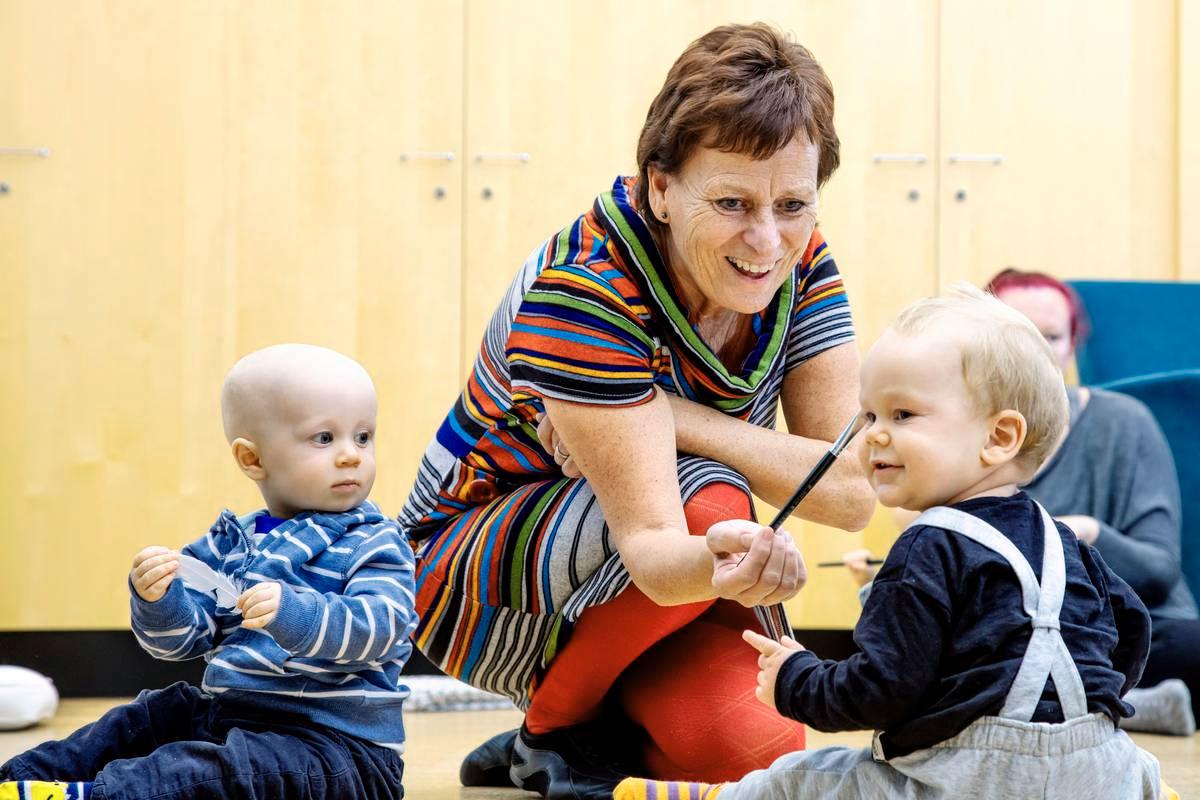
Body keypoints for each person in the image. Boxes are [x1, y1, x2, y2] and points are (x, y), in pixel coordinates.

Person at [398, 22, 874, 800]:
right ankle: (551, 727)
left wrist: (670, 414)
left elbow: (852, 493)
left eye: (793, 202)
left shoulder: (803, 258)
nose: (767, 238)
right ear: (660, 186)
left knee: (753, 754)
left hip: (662, 586)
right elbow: (657, 546)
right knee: (712, 496)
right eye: (731, 201)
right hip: (476, 581)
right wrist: (737, 492)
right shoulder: (585, 289)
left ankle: (593, 717)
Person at [614, 286, 1176, 800]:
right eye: (869, 414)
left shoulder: (927, 545)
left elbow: (881, 691)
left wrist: (796, 679)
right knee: (1141, 771)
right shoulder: (1070, 547)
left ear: (998, 437)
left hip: (968, 780)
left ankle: (717, 798)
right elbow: (1130, 633)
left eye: (903, 414)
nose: (874, 434)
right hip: (1101, 769)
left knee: (808, 777)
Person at [0, 344, 415, 800]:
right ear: (252, 460)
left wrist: (296, 614)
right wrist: (159, 600)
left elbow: (382, 627)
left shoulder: (374, 541)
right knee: (152, 714)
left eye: (363, 437)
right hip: (233, 716)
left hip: (337, 751)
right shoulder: (230, 542)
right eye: (323, 439)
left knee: (207, 771)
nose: (351, 455)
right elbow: (180, 643)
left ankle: (99, 796)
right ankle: (18, 778)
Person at [987, 268, 1198, 735]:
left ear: (1072, 346)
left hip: (1133, 628)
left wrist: (1083, 532)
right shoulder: (964, 436)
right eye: (1019, 335)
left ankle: (1073, 702)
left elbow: (1160, 571)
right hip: (1020, 630)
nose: (1038, 352)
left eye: (1052, 336)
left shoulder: (1124, 421)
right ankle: (1120, 706)